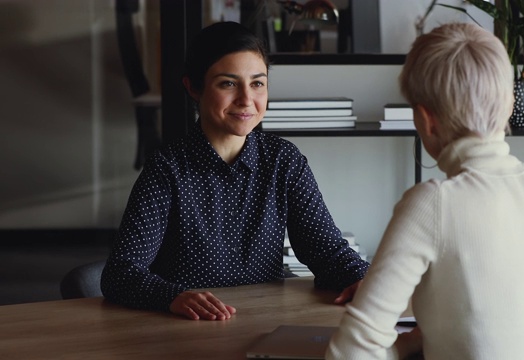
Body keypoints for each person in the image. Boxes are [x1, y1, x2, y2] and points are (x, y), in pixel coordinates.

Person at [326, 23, 524, 359]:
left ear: (426, 120)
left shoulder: (431, 203)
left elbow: (350, 353)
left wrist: (407, 346)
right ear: (509, 104)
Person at [101, 21, 369, 321]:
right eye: (228, 83)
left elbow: (329, 253)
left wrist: (362, 280)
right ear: (193, 87)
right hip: (187, 329)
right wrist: (172, 296)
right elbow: (120, 274)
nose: (246, 99)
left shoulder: (284, 161)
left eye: (257, 83)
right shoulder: (167, 169)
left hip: (264, 321)